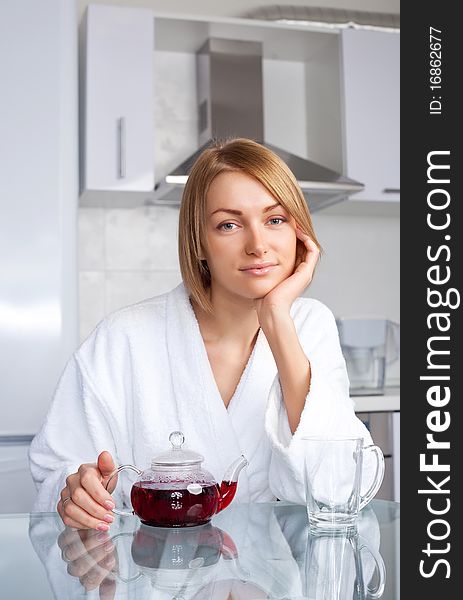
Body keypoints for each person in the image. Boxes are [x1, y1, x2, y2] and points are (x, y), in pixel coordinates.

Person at [29, 138, 376, 531]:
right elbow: (56, 468)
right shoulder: (123, 338)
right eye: (229, 224)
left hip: (282, 584)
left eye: (275, 219)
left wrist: (279, 323)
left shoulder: (311, 324)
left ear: (298, 232)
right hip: (159, 580)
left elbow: (338, 486)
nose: (258, 245)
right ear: (199, 243)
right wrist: (75, 489)